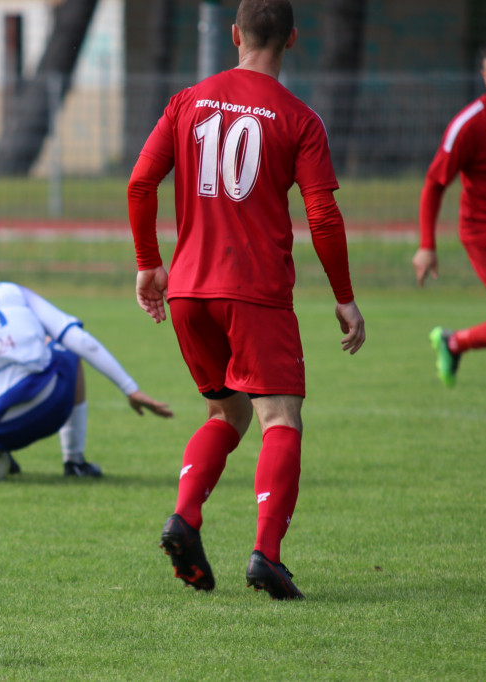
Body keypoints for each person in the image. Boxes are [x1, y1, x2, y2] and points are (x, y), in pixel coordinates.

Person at [127, 0, 366, 600]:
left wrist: (148, 264)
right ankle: (267, 554)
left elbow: (139, 183)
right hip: (254, 291)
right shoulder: (300, 118)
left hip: (187, 290)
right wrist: (344, 296)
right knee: (280, 418)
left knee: (226, 414)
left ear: (234, 34)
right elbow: (322, 214)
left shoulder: (188, 99)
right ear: (292, 40)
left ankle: (185, 516)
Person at [0, 253, 173, 485]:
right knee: (65, 347)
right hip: (49, 405)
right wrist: (130, 388)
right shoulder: (9, 289)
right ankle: (75, 461)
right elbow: (78, 339)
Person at [413, 38, 486, 388]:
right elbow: (434, 184)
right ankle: (455, 343)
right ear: (483, 76)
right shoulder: (469, 125)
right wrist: (427, 245)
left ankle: (454, 343)